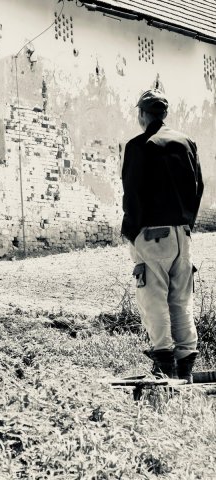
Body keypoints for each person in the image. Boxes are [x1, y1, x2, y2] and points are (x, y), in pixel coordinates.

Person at [121, 89, 204, 383]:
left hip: (152, 235)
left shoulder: (138, 145)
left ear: (142, 114)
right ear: (164, 114)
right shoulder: (187, 143)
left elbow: (132, 194)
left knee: (153, 298)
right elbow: (199, 187)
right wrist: (187, 223)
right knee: (181, 301)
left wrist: (132, 231)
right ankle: (185, 368)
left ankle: (164, 366)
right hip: (182, 234)